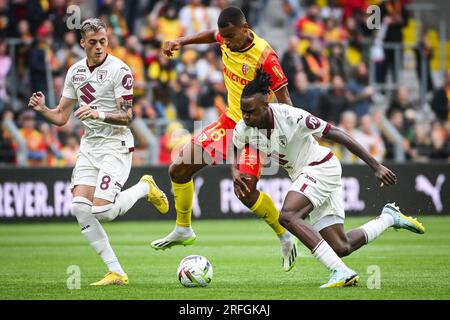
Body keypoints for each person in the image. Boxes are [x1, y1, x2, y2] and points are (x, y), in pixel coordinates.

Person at [233, 69, 425, 288]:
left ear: (266, 105)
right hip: (306, 175)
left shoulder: (291, 117)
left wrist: (376, 165)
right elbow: (234, 146)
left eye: (251, 111)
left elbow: (337, 134)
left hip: (320, 167)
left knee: (287, 216)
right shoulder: (244, 127)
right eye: (243, 111)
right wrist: (235, 171)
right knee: (341, 247)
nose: (246, 116)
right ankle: (389, 218)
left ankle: (340, 271)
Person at [151, 6, 298, 272]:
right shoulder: (227, 38)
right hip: (229, 121)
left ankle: (283, 234)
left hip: (254, 131)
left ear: (246, 28)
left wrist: (284, 137)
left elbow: (285, 101)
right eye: (223, 37)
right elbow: (212, 35)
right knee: (178, 168)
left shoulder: (266, 56)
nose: (226, 42)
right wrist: (181, 41)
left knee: (245, 191)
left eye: (229, 36)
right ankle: (183, 229)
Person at [28, 18, 169, 286]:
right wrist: (43, 110)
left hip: (115, 145)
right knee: (80, 207)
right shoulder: (75, 72)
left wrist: (99, 113)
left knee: (103, 211)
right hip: (90, 146)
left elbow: (127, 116)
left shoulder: (121, 70)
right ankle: (116, 272)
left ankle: (144, 187)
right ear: (83, 43)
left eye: (103, 41)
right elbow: (60, 117)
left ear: (108, 40)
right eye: (92, 42)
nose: (99, 47)